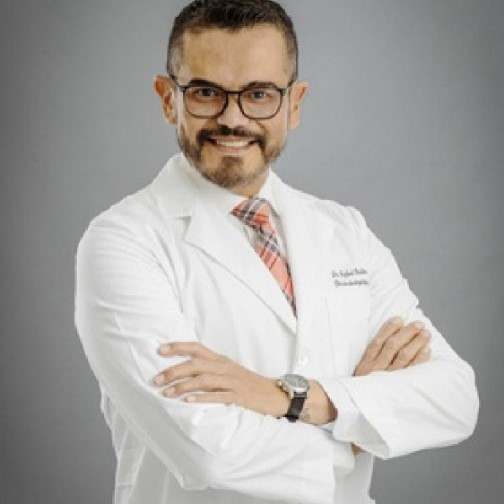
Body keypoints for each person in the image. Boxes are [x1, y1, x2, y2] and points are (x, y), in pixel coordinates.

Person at [75, 1, 479, 503]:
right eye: (206, 92)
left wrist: (290, 398)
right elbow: (208, 452)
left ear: (295, 103)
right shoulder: (122, 242)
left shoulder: (344, 231)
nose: (232, 118)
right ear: (168, 98)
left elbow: (456, 399)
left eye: (259, 94)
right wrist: (355, 433)